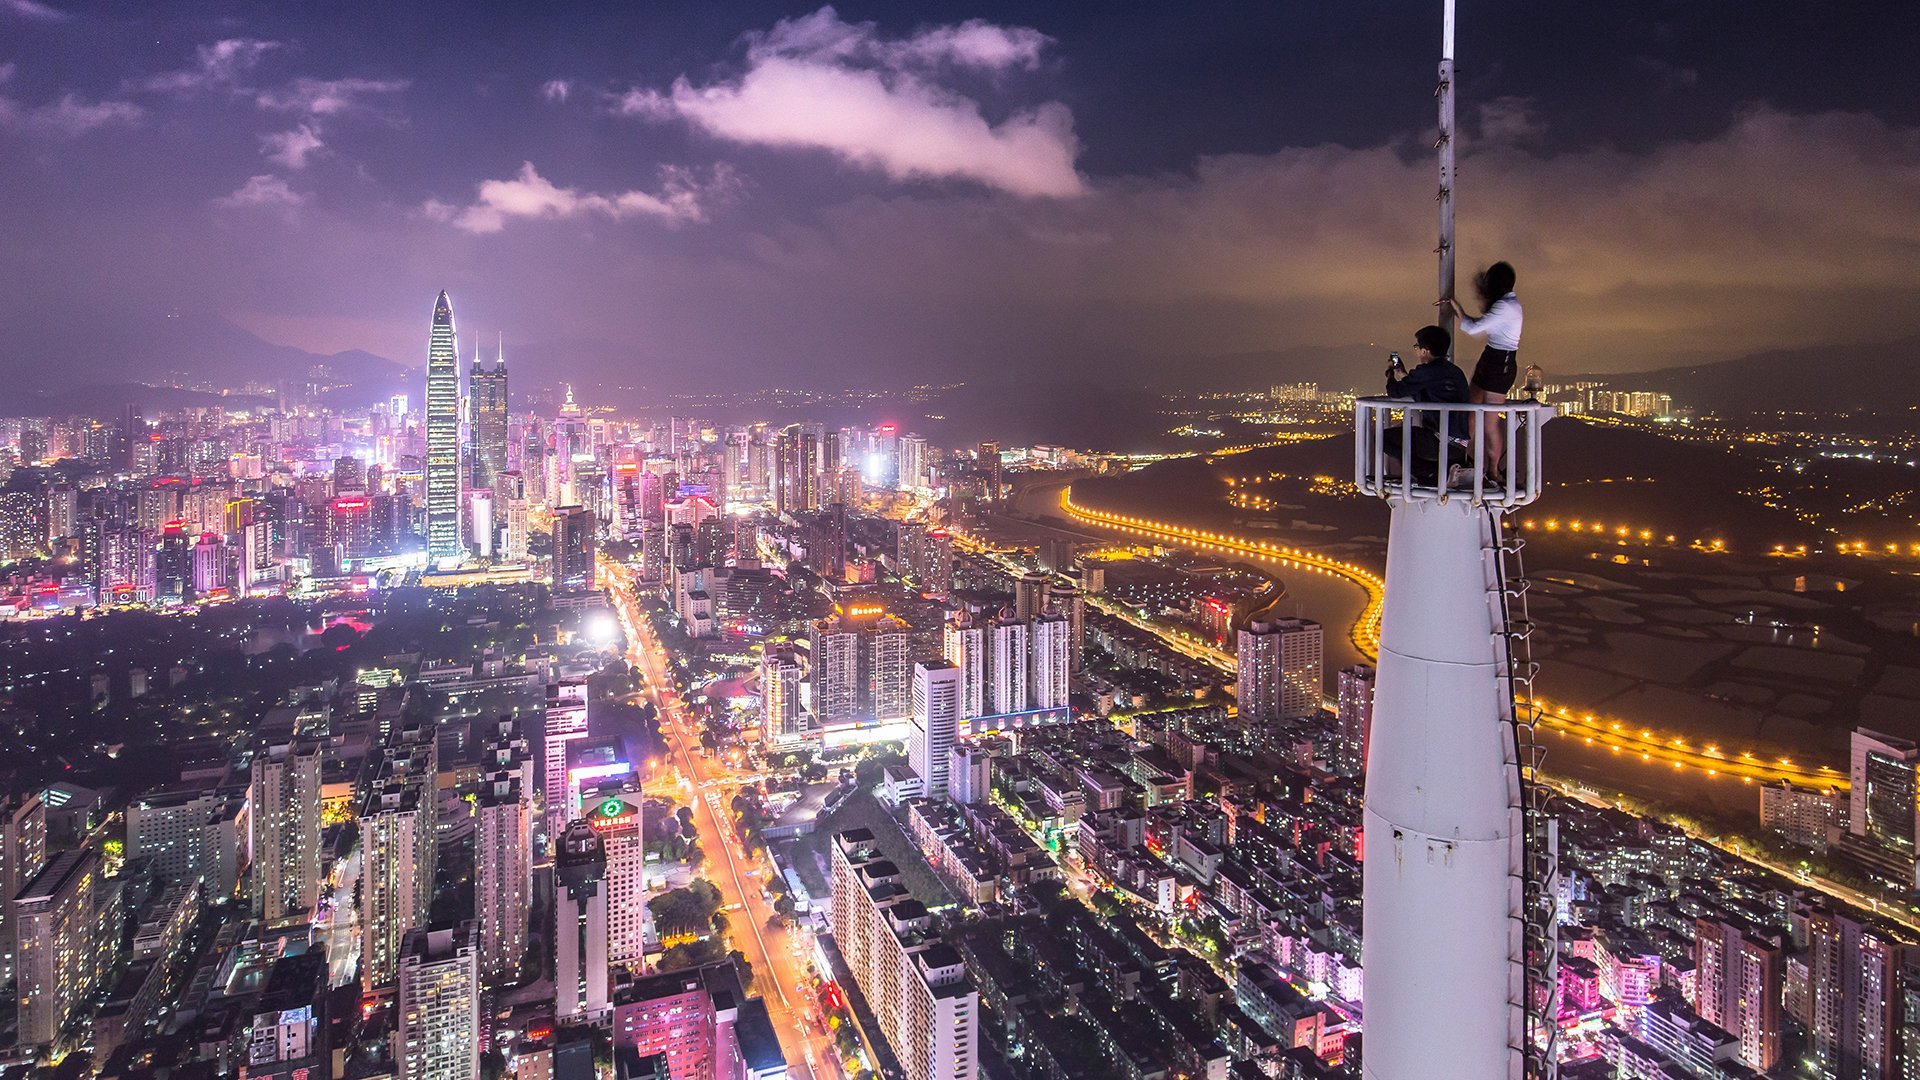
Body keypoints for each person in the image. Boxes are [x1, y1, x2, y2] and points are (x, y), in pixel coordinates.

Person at [1439, 261, 1522, 474]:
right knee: (1473, 412)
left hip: (1499, 362)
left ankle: (1492, 469)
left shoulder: (1505, 306)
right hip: (1494, 358)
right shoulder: (1507, 304)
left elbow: (1472, 327)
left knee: (1488, 422)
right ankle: (1468, 461)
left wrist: (1457, 309)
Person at [1381, 324, 1468, 485]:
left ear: (1425, 350)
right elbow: (1427, 393)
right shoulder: (1455, 371)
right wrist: (1404, 374)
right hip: (1459, 446)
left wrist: (1390, 374)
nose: (1416, 351)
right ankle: (1435, 471)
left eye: (1417, 347)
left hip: (1439, 441)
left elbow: (1395, 391)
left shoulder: (1427, 371)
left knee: (1382, 438)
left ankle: (1426, 473)